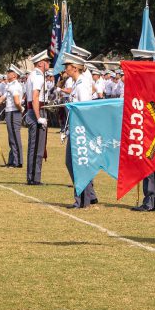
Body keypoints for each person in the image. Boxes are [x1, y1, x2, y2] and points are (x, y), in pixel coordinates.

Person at [129, 48, 155, 212]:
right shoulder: (142, 80)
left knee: (152, 162)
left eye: (139, 62)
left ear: (147, 62)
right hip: (144, 124)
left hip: (153, 125)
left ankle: (152, 200)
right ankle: (151, 199)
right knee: (147, 163)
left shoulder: (152, 80)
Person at [61, 53, 97, 209]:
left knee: (76, 163)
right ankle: (84, 198)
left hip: (80, 129)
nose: (65, 69)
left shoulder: (81, 84)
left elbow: (85, 109)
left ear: (74, 68)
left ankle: (82, 199)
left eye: (67, 66)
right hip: (75, 128)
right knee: (74, 163)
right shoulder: (77, 83)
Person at [0, 65, 24, 168]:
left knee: (15, 137)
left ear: (14, 75)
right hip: (10, 112)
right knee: (11, 138)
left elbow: (16, 101)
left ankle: (17, 161)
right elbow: (2, 99)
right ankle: (12, 160)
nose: (7, 74)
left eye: (9, 72)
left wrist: (20, 109)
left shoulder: (15, 85)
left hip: (13, 112)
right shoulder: (10, 85)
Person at [25, 51, 50, 185]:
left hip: (34, 111)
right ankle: (34, 178)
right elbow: (35, 97)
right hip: (36, 112)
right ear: (41, 63)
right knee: (36, 148)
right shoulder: (38, 76)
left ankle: (32, 176)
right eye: (47, 61)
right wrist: (39, 117)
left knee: (34, 146)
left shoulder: (33, 75)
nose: (49, 64)